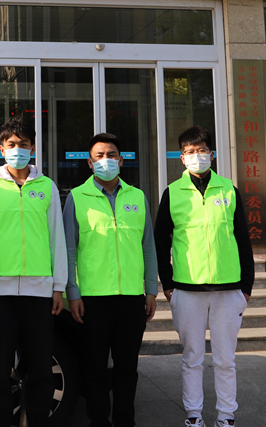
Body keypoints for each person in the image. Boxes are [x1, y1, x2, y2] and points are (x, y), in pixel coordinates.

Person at [0, 116, 67, 427]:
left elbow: (57, 238)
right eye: (11, 145)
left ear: (33, 149)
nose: (17, 150)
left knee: (40, 368)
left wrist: (58, 286)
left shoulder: (47, 186)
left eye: (23, 145)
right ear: (1, 149)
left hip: (40, 292)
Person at [154, 126, 255, 427]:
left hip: (228, 290)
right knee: (192, 358)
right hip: (187, 291)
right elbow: (161, 241)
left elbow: (243, 240)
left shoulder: (228, 190)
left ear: (212, 154)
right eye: (190, 152)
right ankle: (194, 415)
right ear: (181, 158)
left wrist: (246, 287)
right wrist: (168, 285)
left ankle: (226, 416)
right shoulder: (172, 193)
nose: (196, 156)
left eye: (201, 150)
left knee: (225, 360)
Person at [63, 132, 157, 427]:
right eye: (100, 156)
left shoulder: (137, 197)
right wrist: (72, 292)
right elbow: (68, 249)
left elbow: (148, 246)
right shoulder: (77, 198)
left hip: (131, 297)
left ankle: (125, 421)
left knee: (127, 368)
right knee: (95, 369)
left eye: (112, 155)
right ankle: (99, 421)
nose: (106, 160)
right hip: (92, 299)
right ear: (90, 163)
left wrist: (151, 290)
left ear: (122, 160)